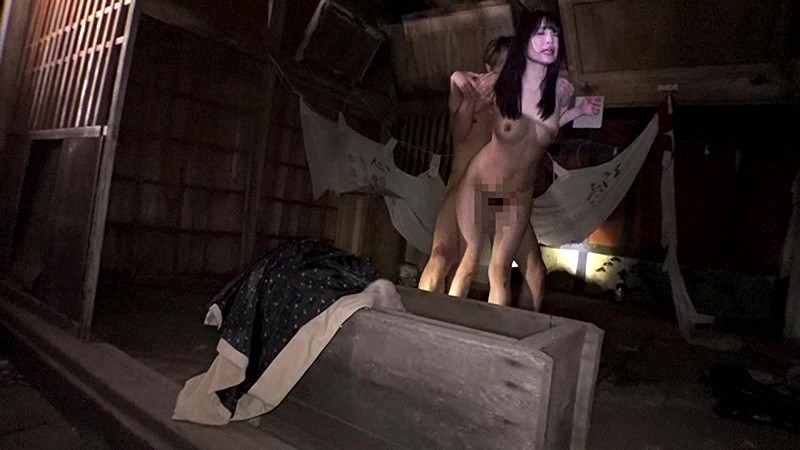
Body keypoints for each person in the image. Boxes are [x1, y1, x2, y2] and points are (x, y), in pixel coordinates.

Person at [447, 9, 600, 308]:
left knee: (500, 272)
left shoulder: (559, 91)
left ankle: (496, 335)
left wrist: (578, 111)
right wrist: (456, 78)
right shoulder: (503, 83)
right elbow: (462, 91)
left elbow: (544, 127)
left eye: (554, 33)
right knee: (468, 262)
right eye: (540, 33)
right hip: (480, 185)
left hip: (517, 195)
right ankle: (443, 326)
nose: (549, 39)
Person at [417, 36, 513, 294]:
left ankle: (447, 316)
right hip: (459, 183)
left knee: (466, 267)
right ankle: (416, 312)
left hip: (485, 193)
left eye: (512, 66)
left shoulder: (511, 104)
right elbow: (458, 133)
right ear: (489, 66)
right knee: (440, 257)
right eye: (501, 65)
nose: (505, 72)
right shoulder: (467, 89)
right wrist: (469, 94)